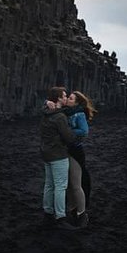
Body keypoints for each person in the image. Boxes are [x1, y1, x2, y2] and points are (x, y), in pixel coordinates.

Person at [40, 86, 78, 230]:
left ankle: (48, 212)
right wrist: (76, 136)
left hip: (46, 153)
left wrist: (46, 103)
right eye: (64, 95)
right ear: (58, 99)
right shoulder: (60, 117)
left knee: (49, 185)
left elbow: (45, 108)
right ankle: (60, 217)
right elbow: (68, 137)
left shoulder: (46, 112)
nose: (66, 97)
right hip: (58, 155)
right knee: (61, 186)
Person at [63, 91, 96, 228]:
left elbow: (84, 131)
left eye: (71, 99)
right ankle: (72, 210)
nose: (68, 100)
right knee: (70, 184)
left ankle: (82, 214)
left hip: (75, 151)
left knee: (76, 184)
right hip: (65, 150)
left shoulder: (79, 114)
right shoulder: (65, 111)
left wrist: (68, 131)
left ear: (76, 102)